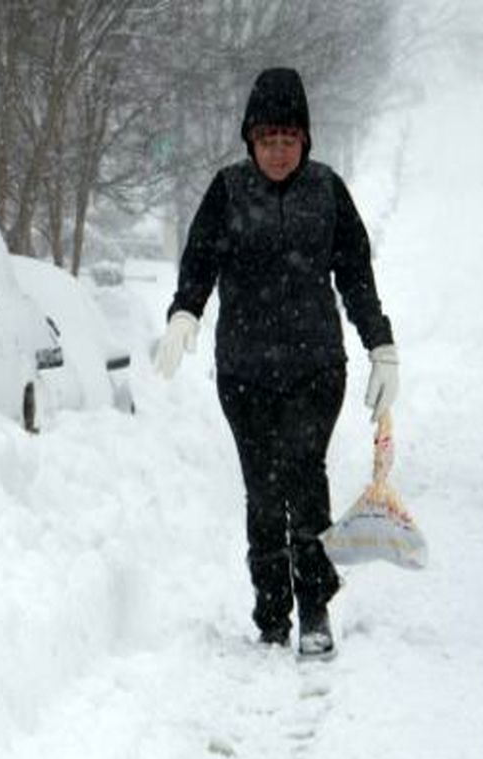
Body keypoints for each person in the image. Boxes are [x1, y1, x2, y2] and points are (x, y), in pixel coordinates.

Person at [153, 67, 399, 658]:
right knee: (263, 495)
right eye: (269, 140)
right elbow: (199, 262)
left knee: (305, 479)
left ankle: (314, 608)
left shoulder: (327, 191)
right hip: (244, 372)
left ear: (306, 140)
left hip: (316, 368)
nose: (280, 151)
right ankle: (271, 614)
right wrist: (184, 312)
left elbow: (356, 277)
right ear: (251, 140)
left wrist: (380, 345)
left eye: (290, 139)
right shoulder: (228, 192)